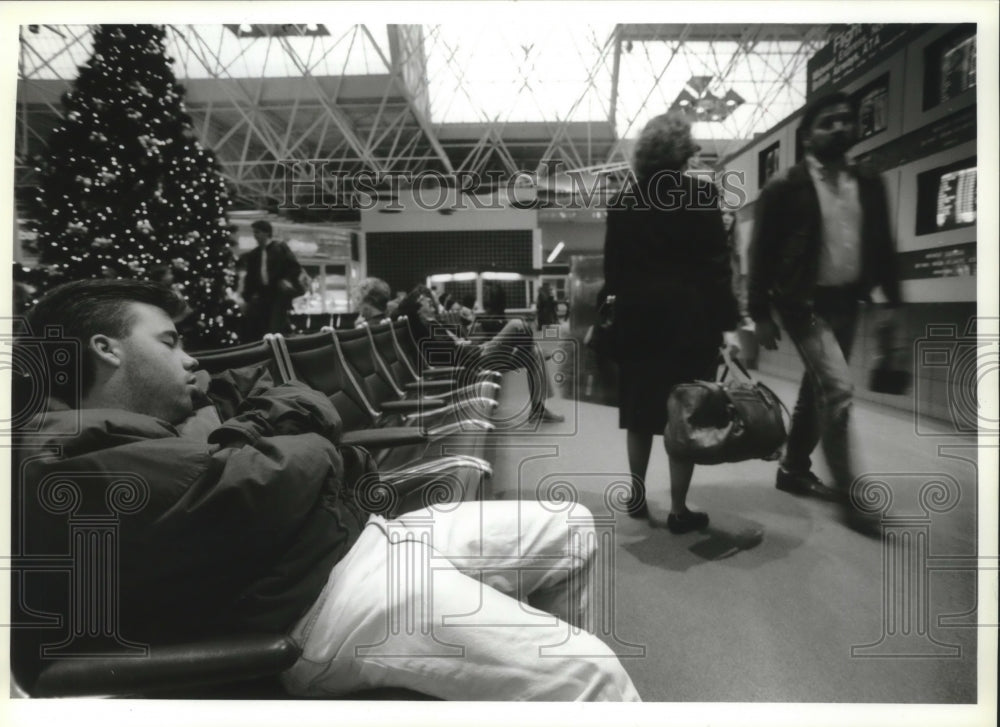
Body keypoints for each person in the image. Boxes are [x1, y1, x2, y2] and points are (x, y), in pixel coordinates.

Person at [12, 279, 639, 701]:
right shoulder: (74, 465)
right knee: (592, 670)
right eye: (171, 343)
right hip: (322, 602)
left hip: (352, 536)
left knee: (572, 525)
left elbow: (282, 407)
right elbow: (294, 466)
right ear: (106, 350)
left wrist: (253, 434)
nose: (192, 361)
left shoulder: (164, 415)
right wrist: (295, 443)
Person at [747, 91, 901, 534]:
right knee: (837, 388)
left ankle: (793, 469)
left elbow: (883, 248)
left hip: (849, 301)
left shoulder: (870, 183)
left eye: (845, 120)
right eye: (827, 122)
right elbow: (762, 253)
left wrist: (890, 301)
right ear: (807, 135)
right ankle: (853, 498)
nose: (838, 128)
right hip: (803, 304)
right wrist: (759, 312)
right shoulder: (784, 188)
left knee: (816, 390)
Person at [603, 111, 741, 534]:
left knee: (639, 415)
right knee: (684, 415)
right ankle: (679, 509)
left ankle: (636, 495)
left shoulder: (624, 201)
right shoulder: (701, 196)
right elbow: (717, 270)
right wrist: (727, 325)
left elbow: (614, 273)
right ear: (684, 149)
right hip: (689, 324)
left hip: (638, 323)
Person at [398, 286, 565, 424]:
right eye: (425, 302)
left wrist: (464, 342)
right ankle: (526, 349)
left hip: (475, 352)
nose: (431, 303)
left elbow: (458, 339)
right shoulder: (423, 327)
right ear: (417, 309)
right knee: (517, 324)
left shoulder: (436, 323)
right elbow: (443, 350)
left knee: (533, 354)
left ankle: (538, 409)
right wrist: (460, 344)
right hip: (472, 360)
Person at [239, 220, 305, 341]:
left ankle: (277, 350)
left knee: (275, 326)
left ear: (266, 233)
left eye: (257, 232)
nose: (255, 236)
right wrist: (247, 297)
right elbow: (250, 278)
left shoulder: (279, 248)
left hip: (278, 293)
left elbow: (294, 267)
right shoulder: (254, 254)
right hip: (263, 294)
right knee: (261, 326)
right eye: (254, 232)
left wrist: (286, 280)